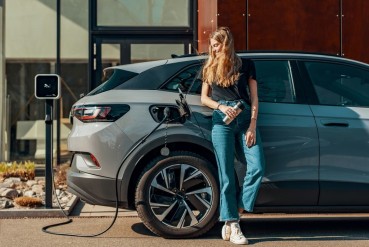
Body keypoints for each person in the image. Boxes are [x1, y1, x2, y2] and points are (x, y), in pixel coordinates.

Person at [200, 27, 265, 245]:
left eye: (216, 45)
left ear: (226, 44)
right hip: (222, 121)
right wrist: (220, 106)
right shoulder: (209, 66)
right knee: (226, 174)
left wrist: (253, 126)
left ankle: (234, 213)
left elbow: (254, 98)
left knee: (257, 167)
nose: (213, 49)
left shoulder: (246, 65)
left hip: (245, 118)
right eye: (212, 45)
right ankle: (232, 223)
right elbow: (203, 99)